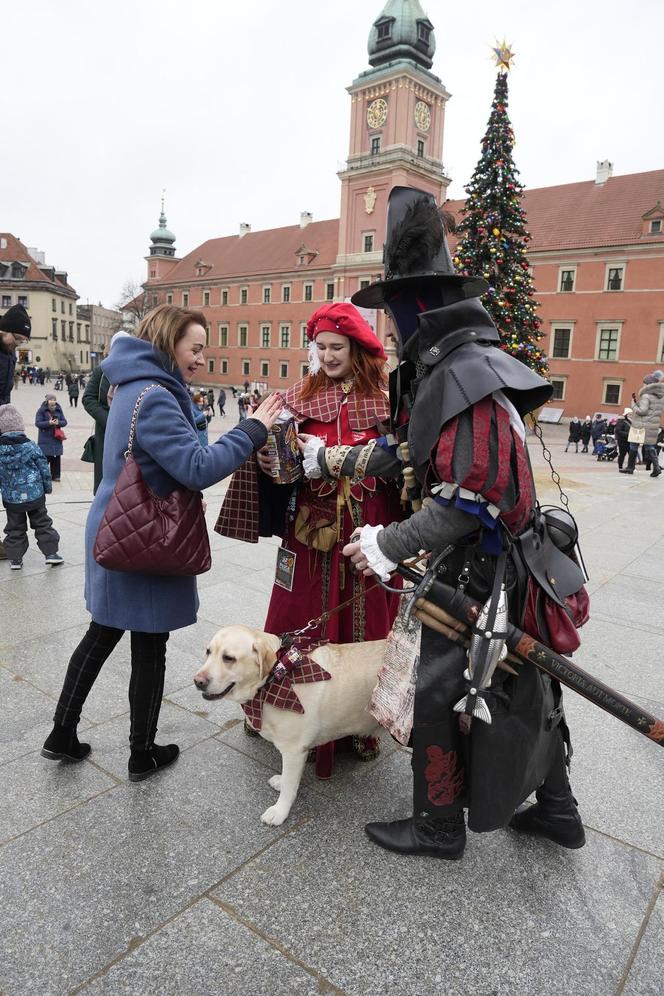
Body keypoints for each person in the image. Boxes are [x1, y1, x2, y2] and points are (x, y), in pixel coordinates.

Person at [343, 185, 585, 859]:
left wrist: (388, 543)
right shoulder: (458, 368)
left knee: (441, 690)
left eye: (394, 311)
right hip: (501, 558)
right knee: (528, 685)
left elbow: (469, 498)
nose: (390, 328)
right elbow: (423, 460)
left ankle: (438, 826)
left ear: (417, 309)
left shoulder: (465, 372)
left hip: (485, 566)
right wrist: (338, 461)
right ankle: (559, 810)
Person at [41, 304, 282, 779]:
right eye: (194, 349)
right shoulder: (155, 396)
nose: (200, 360)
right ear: (169, 343)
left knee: (103, 632)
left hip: (120, 523)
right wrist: (253, 430)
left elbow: (168, 460)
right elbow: (197, 467)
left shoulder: (132, 385)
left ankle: (62, 734)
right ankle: (141, 751)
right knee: (148, 642)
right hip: (144, 535)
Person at [216, 301, 404, 775]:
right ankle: (271, 702)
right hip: (309, 529)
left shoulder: (386, 396)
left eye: (336, 347)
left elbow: (402, 458)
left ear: (357, 348)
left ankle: (361, 721)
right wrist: (271, 460)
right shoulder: (298, 394)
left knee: (368, 624)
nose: (327, 355)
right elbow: (280, 465)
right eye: (319, 347)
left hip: (369, 529)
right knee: (296, 613)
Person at [0, 404, 64, 570]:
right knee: (42, 523)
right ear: (20, 425)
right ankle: (51, 554)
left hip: (11, 499)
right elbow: (44, 467)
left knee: (14, 527)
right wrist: (47, 487)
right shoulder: (31, 446)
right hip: (35, 495)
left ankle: (15, 559)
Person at [620, 371, 664, 477]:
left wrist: (633, 405)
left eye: (644, 383)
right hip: (651, 426)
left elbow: (642, 411)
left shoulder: (646, 396)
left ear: (648, 384)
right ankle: (656, 468)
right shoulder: (659, 396)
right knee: (649, 446)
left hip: (641, 425)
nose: (643, 385)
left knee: (634, 445)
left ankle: (631, 467)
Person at [82, 362, 112, 494]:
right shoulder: (103, 370)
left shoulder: (141, 367)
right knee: (105, 484)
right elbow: (88, 398)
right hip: (106, 433)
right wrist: (109, 421)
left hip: (136, 433)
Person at [0, 304, 31, 405]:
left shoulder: (9, 348)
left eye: (23, 341)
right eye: (17, 338)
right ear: (3, 331)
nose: (18, 344)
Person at [35, 394, 67, 482]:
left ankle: (56, 476)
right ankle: (44, 476)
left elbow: (64, 422)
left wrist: (58, 423)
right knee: (45, 458)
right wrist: (49, 423)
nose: (53, 401)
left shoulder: (58, 410)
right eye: (51, 399)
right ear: (47, 401)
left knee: (56, 457)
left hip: (56, 438)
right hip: (45, 438)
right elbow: (38, 423)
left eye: (54, 399)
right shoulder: (41, 410)